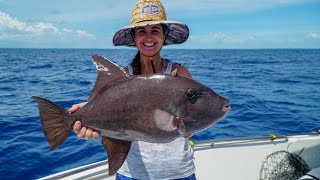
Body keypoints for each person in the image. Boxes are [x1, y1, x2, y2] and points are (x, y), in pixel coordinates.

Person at [69, 0, 196, 179]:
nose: (149, 37)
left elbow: (187, 130)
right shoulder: (121, 75)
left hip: (178, 172)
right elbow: (101, 107)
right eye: (142, 31)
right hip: (131, 174)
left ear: (164, 36)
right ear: (134, 37)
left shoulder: (180, 74)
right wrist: (86, 114)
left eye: (155, 31)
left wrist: (188, 124)